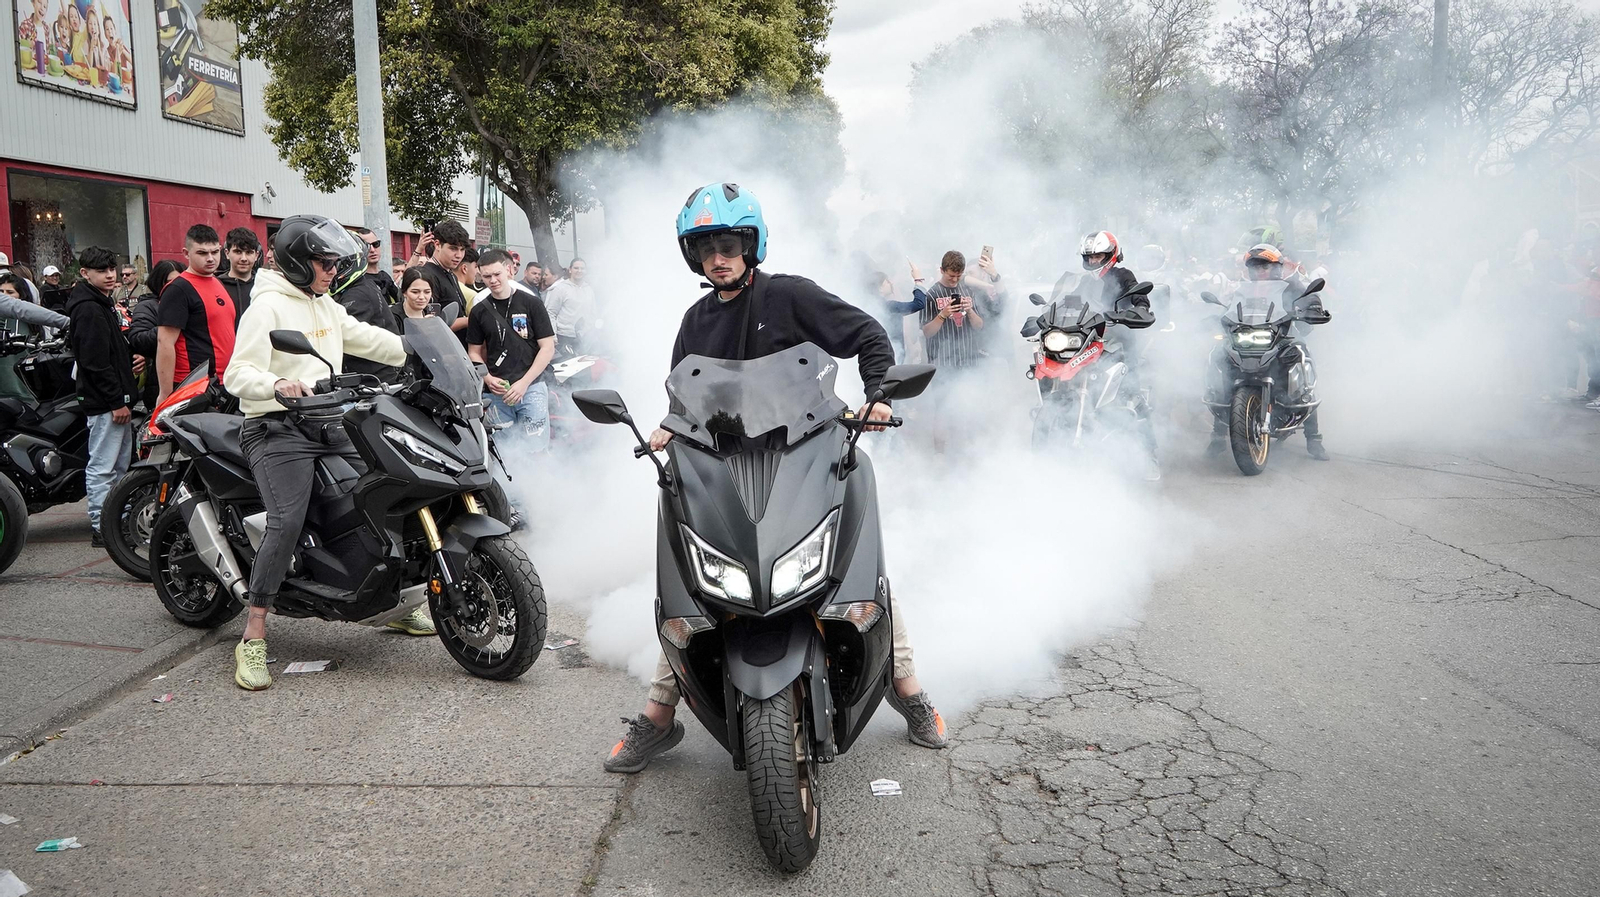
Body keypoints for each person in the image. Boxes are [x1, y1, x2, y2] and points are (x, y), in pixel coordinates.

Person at [602, 182, 948, 775]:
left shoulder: (789, 296)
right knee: (697, 584)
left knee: (857, 561)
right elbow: (685, 394)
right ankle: (660, 714)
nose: (719, 258)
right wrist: (668, 426)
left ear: (751, 244)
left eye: (729, 245)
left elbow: (868, 334)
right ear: (693, 256)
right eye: (706, 248)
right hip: (726, 468)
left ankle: (906, 685)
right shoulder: (695, 321)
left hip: (805, 458)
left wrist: (878, 395)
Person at [222, 215, 420, 692]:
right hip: (275, 428)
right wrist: (277, 383)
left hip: (328, 422)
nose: (333, 270)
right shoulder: (267, 307)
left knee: (383, 492)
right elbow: (237, 373)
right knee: (286, 520)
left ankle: (387, 602)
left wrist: (421, 350)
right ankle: (253, 633)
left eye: (335, 263)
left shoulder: (324, 304)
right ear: (296, 262)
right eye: (324, 263)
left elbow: (368, 338)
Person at [1206, 243, 1328, 461]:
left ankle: (1314, 438)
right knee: (1220, 357)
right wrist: (1214, 317)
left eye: (1265, 267)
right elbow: (1228, 309)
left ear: (1277, 267)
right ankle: (1217, 435)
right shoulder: (1241, 290)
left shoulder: (1291, 286)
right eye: (1255, 267)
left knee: (1302, 357)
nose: (1260, 271)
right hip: (1247, 340)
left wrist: (1312, 308)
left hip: (1283, 339)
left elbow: (1308, 298)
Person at [64, 247, 137, 547]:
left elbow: (106, 355)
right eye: (101, 270)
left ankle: (114, 522)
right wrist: (116, 401)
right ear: (85, 273)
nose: (109, 275)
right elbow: (94, 362)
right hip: (106, 402)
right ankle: (102, 526)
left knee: (116, 466)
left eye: (112, 269)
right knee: (104, 466)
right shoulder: (89, 308)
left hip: (113, 400)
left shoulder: (99, 303)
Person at [1078, 231, 1162, 479]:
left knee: (1131, 393)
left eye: (1097, 256)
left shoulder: (1124, 276)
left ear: (1110, 255)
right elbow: (1066, 303)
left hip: (1119, 343)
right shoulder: (1084, 282)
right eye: (1089, 257)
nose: (1093, 261)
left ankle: (1149, 455)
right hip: (1088, 343)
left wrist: (1138, 310)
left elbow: (1140, 299)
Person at [464, 250, 556, 452]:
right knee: (502, 451)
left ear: (509, 270)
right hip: (497, 392)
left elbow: (547, 347)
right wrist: (487, 378)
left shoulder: (532, 303)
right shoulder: (479, 310)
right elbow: (473, 352)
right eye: (487, 276)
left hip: (532, 388)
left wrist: (524, 383)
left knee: (536, 449)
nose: (493, 280)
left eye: (497, 274)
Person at [156, 224, 235, 404]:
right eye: (202, 253)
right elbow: (165, 342)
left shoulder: (217, 282)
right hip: (194, 386)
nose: (210, 258)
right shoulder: (178, 289)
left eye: (215, 252)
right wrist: (165, 394)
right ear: (186, 253)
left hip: (224, 383)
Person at [335, 227, 404, 381]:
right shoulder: (361, 287)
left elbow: (345, 339)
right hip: (378, 375)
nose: (330, 270)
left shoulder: (357, 294)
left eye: (332, 263)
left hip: (372, 380)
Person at [0, 272, 70, 398]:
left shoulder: (33, 320)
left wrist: (69, 323)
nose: (5, 295)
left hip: (26, 393)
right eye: (1, 292)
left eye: (10, 292)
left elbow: (19, 308)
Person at [128, 260, 182, 410]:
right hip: (160, 383)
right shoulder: (148, 306)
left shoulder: (190, 303)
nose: (176, 286)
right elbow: (138, 340)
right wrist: (168, 327)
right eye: (170, 282)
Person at [408, 220, 472, 335]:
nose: (459, 255)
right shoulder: (427, 275)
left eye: (462, 250)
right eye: (453, 248)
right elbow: (431, 325)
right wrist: (470, 320)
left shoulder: (450, 273)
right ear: (437, 245)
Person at [542, 257, 595, 348]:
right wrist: (553, 336)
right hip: (564, 337)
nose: (579, 271)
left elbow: (592, 313)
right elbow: (551, 313)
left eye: (582, 268)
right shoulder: (561, 288)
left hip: (584, 338)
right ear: (570, 270)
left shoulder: (589, 289)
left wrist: (591, 333)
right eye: (576, 268)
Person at [219, 227, 261, 320]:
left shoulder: (263, 286)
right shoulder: (217, 286)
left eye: (249, 252)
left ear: (256, 255)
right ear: (227, 253)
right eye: (238, 252)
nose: (243, 258)